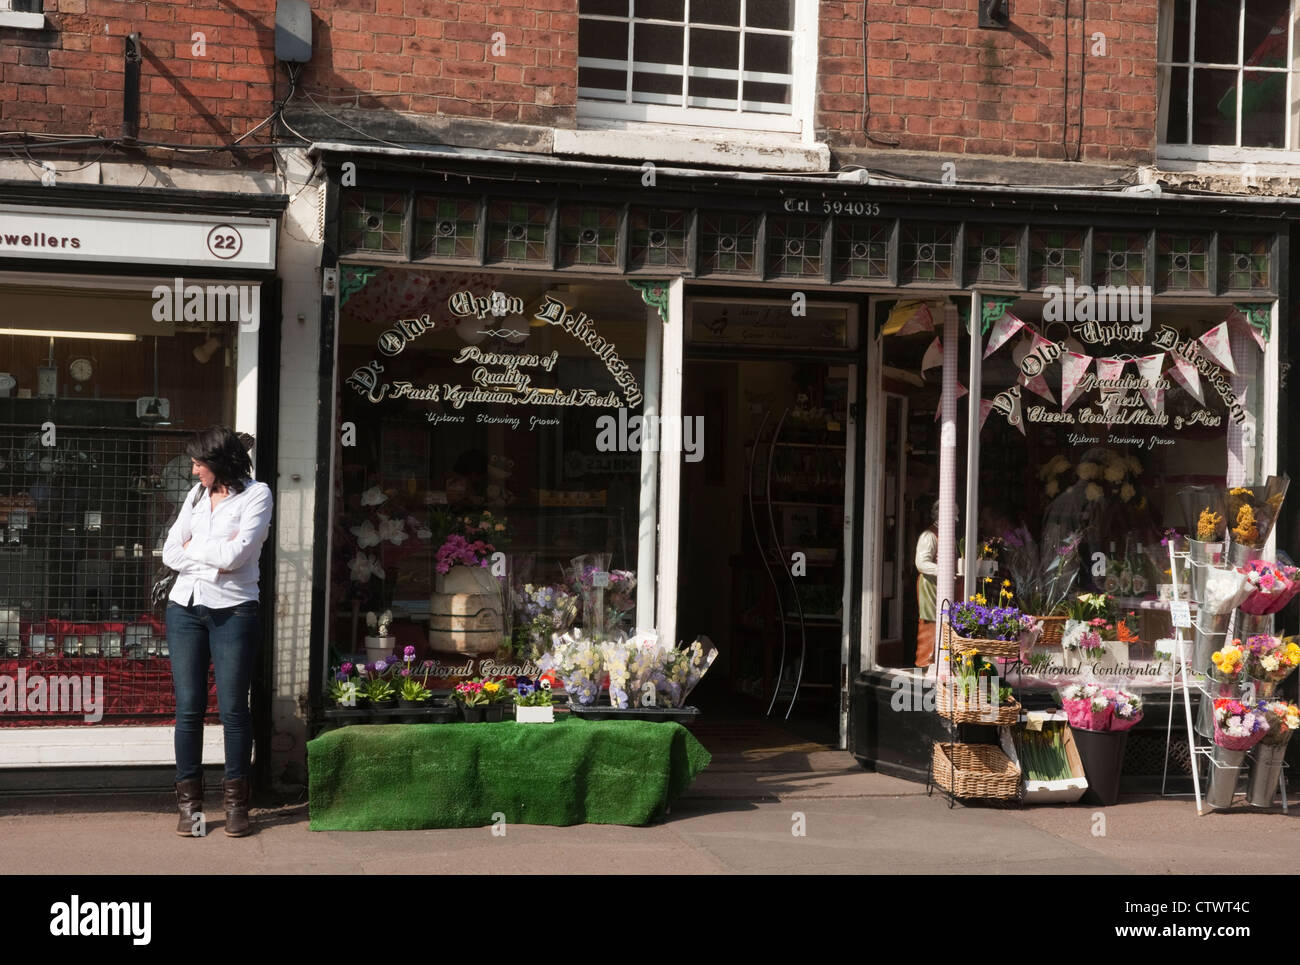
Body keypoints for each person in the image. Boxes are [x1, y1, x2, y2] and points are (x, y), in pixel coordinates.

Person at [162, 426, 273, 837]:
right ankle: (190, 808)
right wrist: (212, 562)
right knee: (188, 709)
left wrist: (198, 553)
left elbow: (239, 554)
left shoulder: (257, 495)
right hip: (185, 609)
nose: (193, 472)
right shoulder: (194, 497)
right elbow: (171, 550)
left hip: (234, 612)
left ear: (219, 462)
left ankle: (235, 806)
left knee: (233, 710)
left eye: (198, 463)